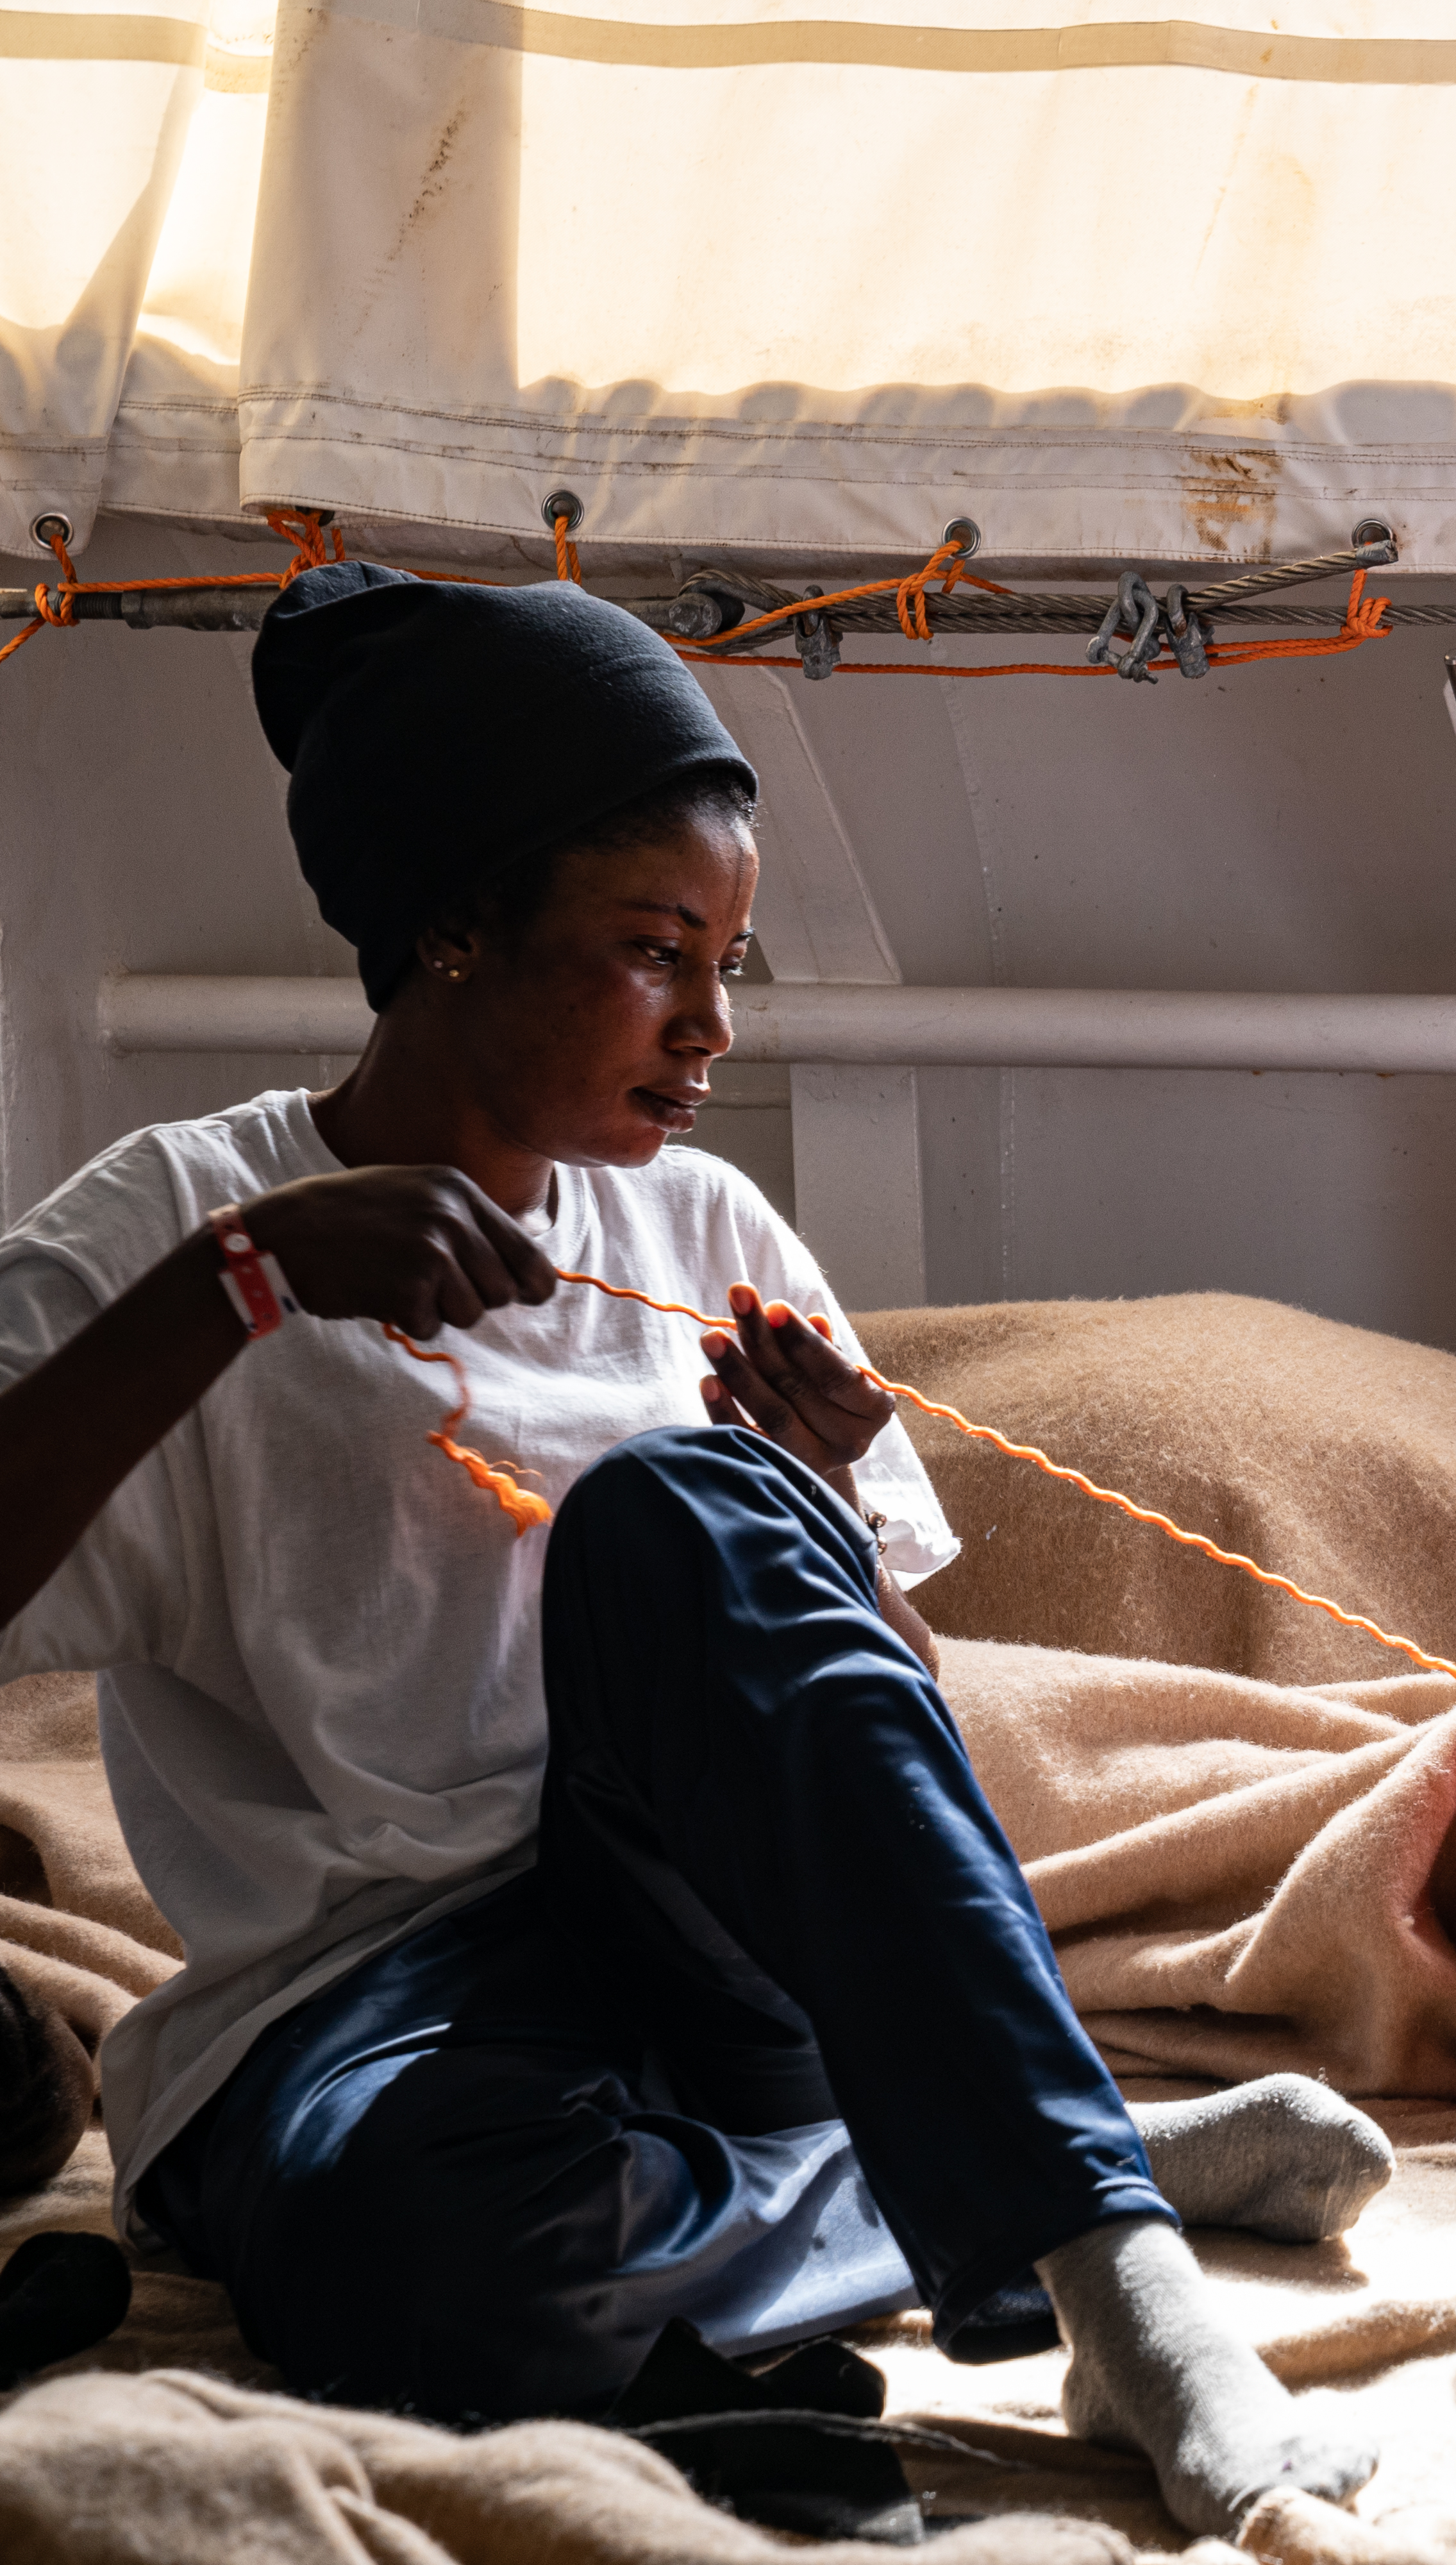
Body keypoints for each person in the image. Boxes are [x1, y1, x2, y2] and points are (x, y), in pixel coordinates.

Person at [0, 563, 1385, 2536]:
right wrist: (237, 1287)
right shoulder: (180, 1225)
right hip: (376, 2022)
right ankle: (1040, 2163)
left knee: (678, 1508)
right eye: (659, 954)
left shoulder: (709, 1232)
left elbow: (891, 1755)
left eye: (730, 962)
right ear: (456, 927)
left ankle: (1122, 2289)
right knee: (422, 2277)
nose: (714, 1027)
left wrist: (819, 1513)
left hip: (718, 1973)